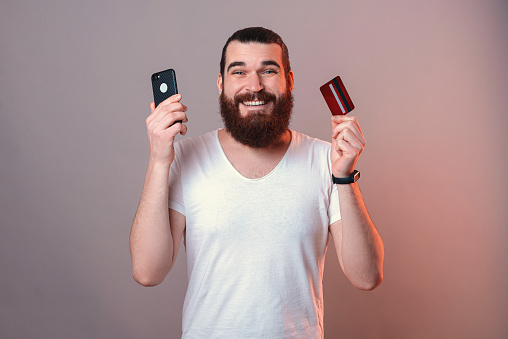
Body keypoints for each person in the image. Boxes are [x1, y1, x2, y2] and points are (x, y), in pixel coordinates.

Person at [130, 27, 384, 338]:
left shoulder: (325, 160)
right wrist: (158, 159)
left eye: (268, 70)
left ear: (289, 81)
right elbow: (147, 271)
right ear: (221, 83)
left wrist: (345, 176)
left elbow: (367, 276)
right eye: (239, 71)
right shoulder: (184, 156)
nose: (255, 86)